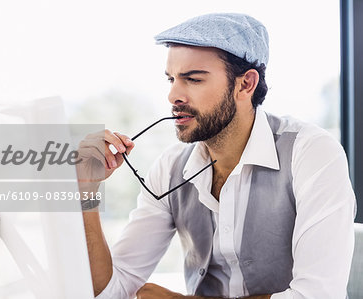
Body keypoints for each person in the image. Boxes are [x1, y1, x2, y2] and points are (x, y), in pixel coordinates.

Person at [76, 13, 356, 299]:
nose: (173, 95)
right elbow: (110, 291)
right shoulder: (170, 168)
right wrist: (86, 191)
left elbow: (319, 295)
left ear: (245, 84)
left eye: (193, 79)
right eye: (171, 79)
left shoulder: (311, 152)